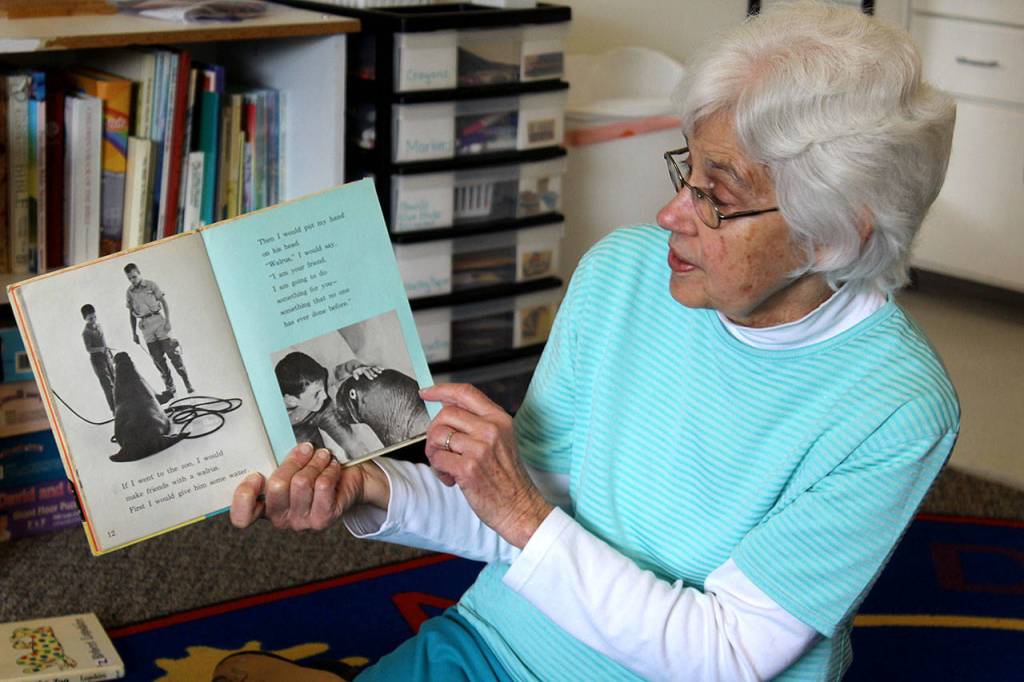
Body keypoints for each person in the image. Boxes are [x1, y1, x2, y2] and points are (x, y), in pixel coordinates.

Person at [222, 3, 959, 680]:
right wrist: (371, 489)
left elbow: (728, 654)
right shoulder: (625, 274)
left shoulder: (894, 406)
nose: (671, 214)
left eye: (717, 197)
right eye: (686, 170)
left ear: (832, 236)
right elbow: (526, 506)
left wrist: (518, 509)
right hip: (496, 646)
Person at [274, 351, 384, 463]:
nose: (325, 395)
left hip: (324, 411)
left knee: (353, 445)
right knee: (316, 460)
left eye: (323, 388)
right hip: (298, 427)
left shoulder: (321, 383)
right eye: (316, 394)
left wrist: (359, 368)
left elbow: (347, 367)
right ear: (291, 400)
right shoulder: (275, 414)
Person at [124, 263, 194, 399]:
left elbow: (164, 302)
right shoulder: (129, 292)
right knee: (158, 360)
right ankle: (171, 389)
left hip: (159, 322)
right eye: (129, 278)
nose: (133, 280)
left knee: (173, 355)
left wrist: (168, 321)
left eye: (134, 276)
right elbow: (131, 314)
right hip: (145, 327)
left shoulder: (151, 285)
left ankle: (188, 384)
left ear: (139, 272)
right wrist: (134, 333)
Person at [80, 304, 115, 413]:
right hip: (97, 361)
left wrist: (109, 353)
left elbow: (104, 342)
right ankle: (114, 410)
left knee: (115, 380)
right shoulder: (86, 333)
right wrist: (101, 349)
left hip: (107, 357)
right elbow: (88, 349)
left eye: (94, 317)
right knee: (107, 385)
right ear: (85, 319)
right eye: (90, 318)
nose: (93, 320)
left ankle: (123, 405)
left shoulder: (99, 326)